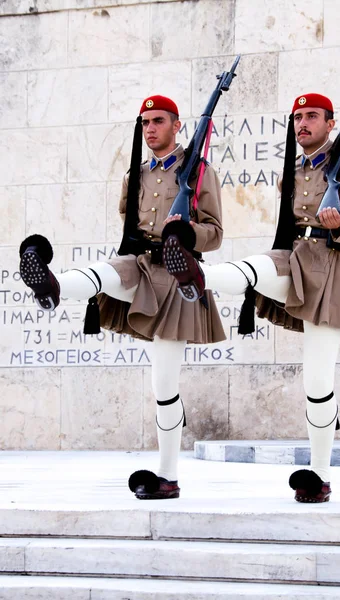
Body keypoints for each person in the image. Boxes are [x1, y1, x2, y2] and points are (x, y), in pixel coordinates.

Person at [163, 93, 340, 503]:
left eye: (312, 117)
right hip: (293, 258)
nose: (303, 124)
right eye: (298, 117)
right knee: (256, 267)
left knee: (317, 382)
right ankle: (199, 275)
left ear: (331, 123)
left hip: (331, 271)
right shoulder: (292, 172)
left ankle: (320, 475)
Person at [18, 95, 225, 500]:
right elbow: (128, 225)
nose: (150, 129)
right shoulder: (136, 175)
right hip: (138, 261)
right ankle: (52, 285)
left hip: (177, 274)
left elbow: (215, 233)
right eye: (145, 122)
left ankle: (168, 475)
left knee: (163, 384)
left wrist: (186, 231)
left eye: (159, 121)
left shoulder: (199, 172)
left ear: (176, 125)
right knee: (102, 274)